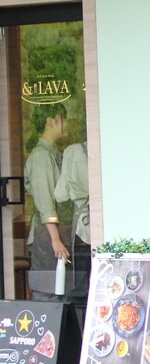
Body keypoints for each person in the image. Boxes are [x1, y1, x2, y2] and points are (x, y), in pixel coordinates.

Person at [25, 103, 69, 301]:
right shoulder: (41, 156)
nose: (66, 123)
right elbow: (44, 200)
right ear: (50, 121)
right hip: (47, 235)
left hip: (54, 233)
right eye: (63, 118)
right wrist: (55, 239)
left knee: (58, 290)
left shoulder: (52, 153)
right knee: (48, 293)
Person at [55, 140, 89, 310]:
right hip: (103, 220)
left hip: (82, 226)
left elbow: (60, 194)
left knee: (81, 282)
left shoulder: (71, 151)